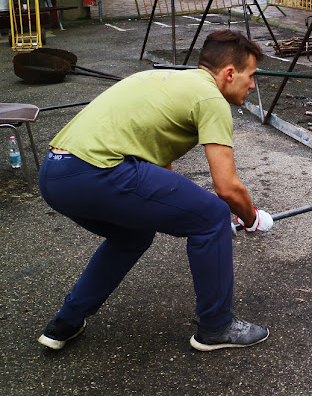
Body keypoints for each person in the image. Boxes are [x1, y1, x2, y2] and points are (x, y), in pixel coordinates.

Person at [37, 29, 273, 352]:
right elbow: (228, 188)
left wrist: (201, 222)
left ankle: (65, 322)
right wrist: (251, 218)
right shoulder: (210, 99)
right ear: (229, 73)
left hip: (55, 173)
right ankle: (216, 326)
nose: (253, 85)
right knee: (213, 214)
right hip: (97, 170)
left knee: (134, 234)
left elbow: (159, 173)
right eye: (251, 76)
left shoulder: (170, 81)